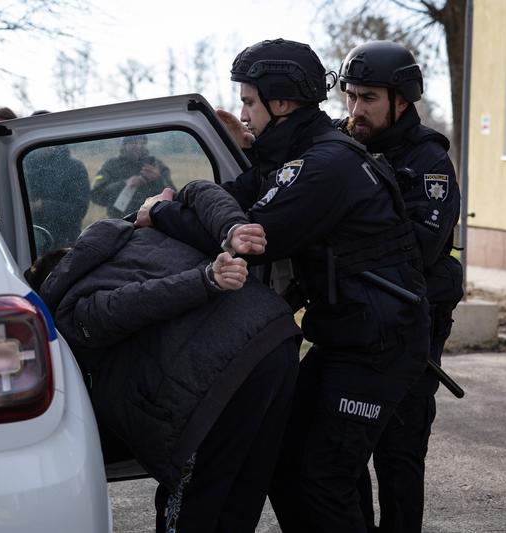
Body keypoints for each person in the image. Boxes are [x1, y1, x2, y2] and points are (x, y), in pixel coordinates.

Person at [138, 38, 431, 532]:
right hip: (347, 336)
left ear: (282, 102)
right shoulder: (294, 153)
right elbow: (233, 200)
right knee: (288, 461)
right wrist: (165, 207)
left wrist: (162, 212)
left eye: (249, 101)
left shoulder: (324, 165)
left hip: (381, 343)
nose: (243, 113)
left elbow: (251, 240)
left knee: (325, 477)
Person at [31, 181, 301, 533]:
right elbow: (199, 189)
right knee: (243, 488)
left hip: (222, 380)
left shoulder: (68, 305)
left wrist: (206, 280)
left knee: (194, 500)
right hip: (274, 338)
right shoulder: (138, 231)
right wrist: (232, 227)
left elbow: (125, 306)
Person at [335, 40, 464, 533]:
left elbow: (415, 252)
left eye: (368, 98)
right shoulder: (347, 145)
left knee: (400, 454)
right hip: (358, 325)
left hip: (414, 325)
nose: (355, 109)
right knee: (347, 454)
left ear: (401, 101)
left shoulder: (429, 161)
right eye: (351, 96)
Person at [22, 141, 90, 249]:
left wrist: (41, 206)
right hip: (29, 240)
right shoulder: (22, 164)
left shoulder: (75, 168)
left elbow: (79, 210)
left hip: (66, 242)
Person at [90, 134, 175, 218]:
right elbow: (96, 195)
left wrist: (158, 179)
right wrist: (125, 184)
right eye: (134, 143)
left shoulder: (157, 165)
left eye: (142, 143)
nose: (138, 146)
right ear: (124, 145)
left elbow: (173, 197)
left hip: (151, 221)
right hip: (119, 222)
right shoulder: (110, 165)